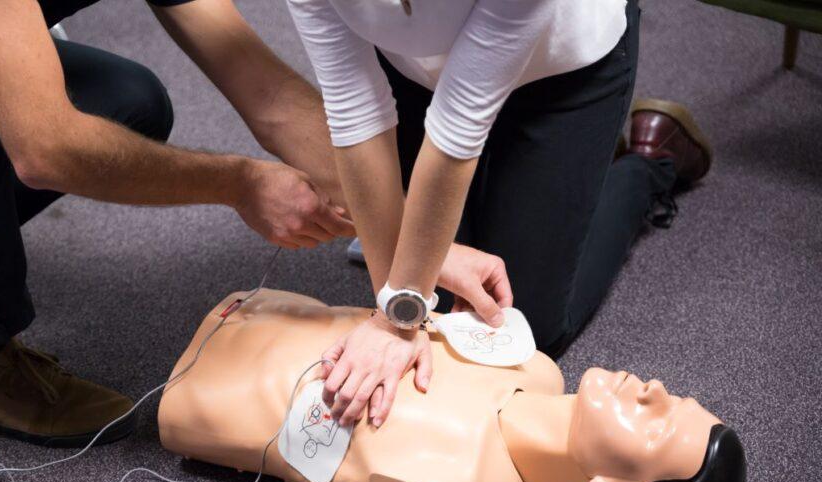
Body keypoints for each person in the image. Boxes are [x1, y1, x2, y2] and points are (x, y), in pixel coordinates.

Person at [0, 0, 355, 446]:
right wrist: (239, 184)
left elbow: (269, 92)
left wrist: (398, 235)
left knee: (124, 102)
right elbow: (46, 149)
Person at [284, 0, 713, 429]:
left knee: (523, 325)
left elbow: (458, 125)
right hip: (414, 72)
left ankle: (647, 164)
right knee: (450, 302)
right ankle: (575, 175)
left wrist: (396, 322)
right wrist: (393, 303)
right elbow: (354, 108)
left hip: (565, 74)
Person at [157, 289, 747, 482]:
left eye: (661, 424)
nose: (658, 390)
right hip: (264, 301)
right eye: (678, 397)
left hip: (199, 391)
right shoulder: (533, 366)